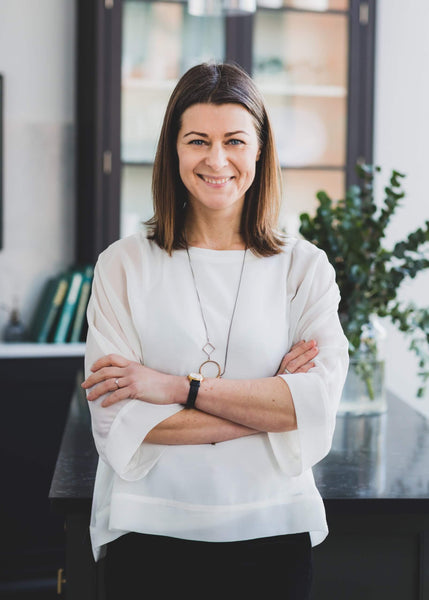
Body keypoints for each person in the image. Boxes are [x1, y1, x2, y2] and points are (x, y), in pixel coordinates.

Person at [82, 62, 349, 599]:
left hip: (273, 531)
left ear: (259, 149)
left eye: (234, 140)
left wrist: (176, 389)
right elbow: (118, 418)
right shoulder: (122, 265)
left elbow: (317, 403)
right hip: (150, 532)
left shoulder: (305, 268)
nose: (216, 159)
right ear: (173, 149)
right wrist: (269, 404)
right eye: (198, 140)